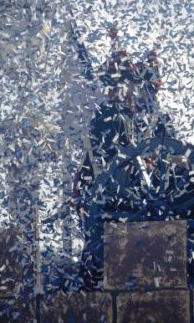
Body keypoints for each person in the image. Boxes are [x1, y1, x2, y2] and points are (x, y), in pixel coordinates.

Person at [72, 48, 171, 289]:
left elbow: (167, 148)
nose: (114, 90)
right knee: (98, 246)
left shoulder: (146, 114)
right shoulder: (110, 113)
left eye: (120, 84)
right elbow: (95, 155)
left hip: (134, 191)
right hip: (113, 190)